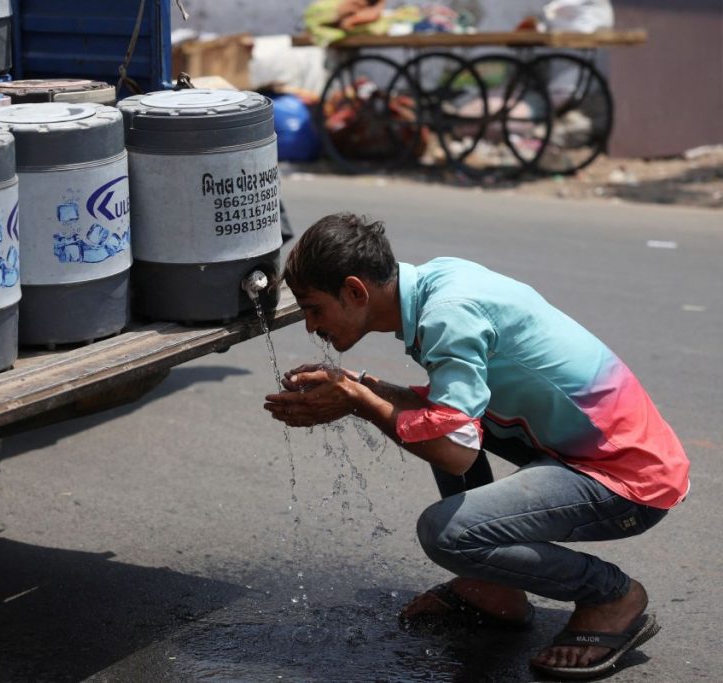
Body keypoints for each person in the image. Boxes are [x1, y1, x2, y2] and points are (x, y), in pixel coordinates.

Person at [263, 212, 690, 680]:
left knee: (446, 532)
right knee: (441, 418)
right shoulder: (438, 282)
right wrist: (361, 386)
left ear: (355, 291)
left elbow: (454, 450)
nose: (309, 327)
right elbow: (453, 413)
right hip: (585, 451)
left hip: (626, 477)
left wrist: (363, 403)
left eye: (313, 309)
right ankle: (494, 590)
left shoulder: (449, 314)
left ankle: (610, 595)